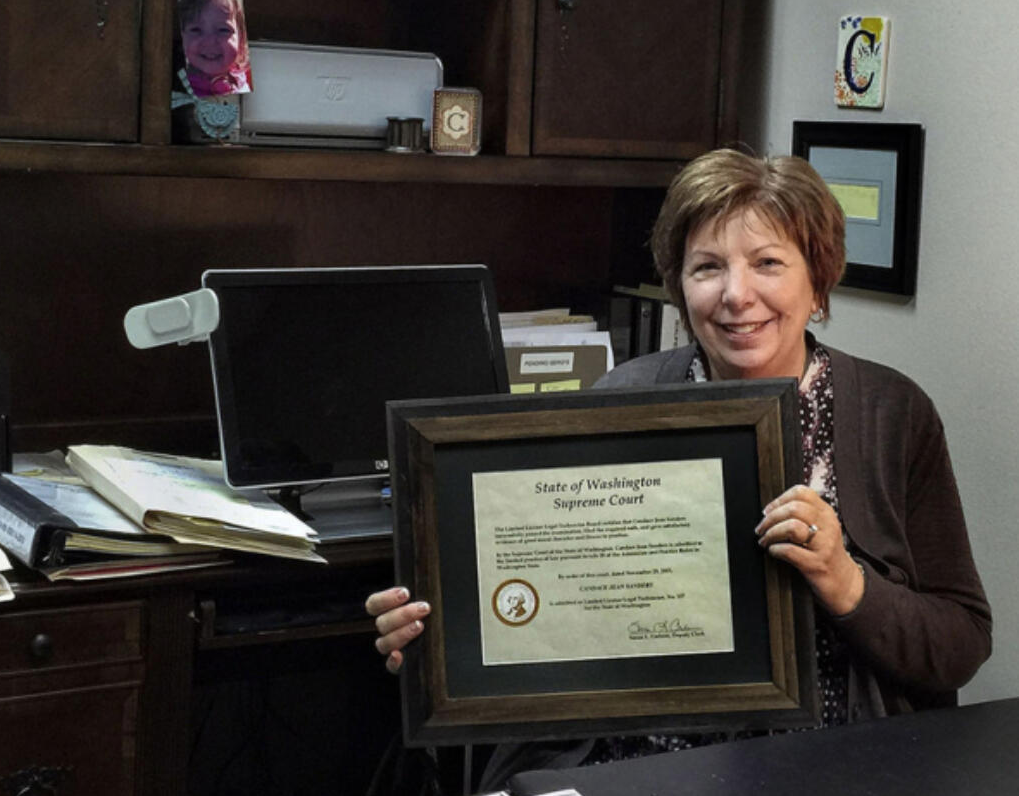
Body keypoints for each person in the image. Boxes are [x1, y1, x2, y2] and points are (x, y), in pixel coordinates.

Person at [367, 149, 991, 730]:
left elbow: (962, 644)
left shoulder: (892, 413)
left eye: (768, 263)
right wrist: (441, 642)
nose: (737, 294)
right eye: (708, 267)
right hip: (642, 758)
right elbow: (553, 600)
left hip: (840, 765)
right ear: (679, 285)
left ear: (818, 282)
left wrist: (845, 580)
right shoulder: (619, 402)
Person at [175, 0, 252, 97]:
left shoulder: (245, 78)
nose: (209, 42)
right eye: (196, 30)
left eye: (223, 30)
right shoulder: (179, 90)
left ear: (242, 38)